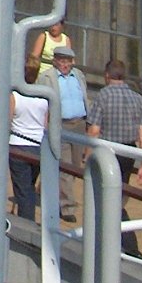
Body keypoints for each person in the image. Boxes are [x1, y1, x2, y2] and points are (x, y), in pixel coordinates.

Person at [89, 57, 142, 186]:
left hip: (106, 150)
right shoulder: (138, 99)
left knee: (104, 186)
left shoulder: (102, 96)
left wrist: (88, 154)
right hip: (128, 151)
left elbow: (94, 131)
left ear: (107, 75)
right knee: (123, 185)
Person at [48, 41, 89, 221]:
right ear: (55, 61)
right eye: (61, 60)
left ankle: (60, 196)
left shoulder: (78, 75)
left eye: (68, 61)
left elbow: (84, 96)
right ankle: (68, 207)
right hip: (61, 125)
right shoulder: (47, 77)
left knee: (75, 166)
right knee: (65, 166)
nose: (65, 64)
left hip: (79, 124)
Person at [7, 84, 51, 222]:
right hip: (37, 146)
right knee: (29, 188)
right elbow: (46, 124)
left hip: (18, 147)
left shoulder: (15, 95)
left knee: (23, 191)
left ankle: (26, 224)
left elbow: (8, 120)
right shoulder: (44, 96)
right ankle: (27, 219)